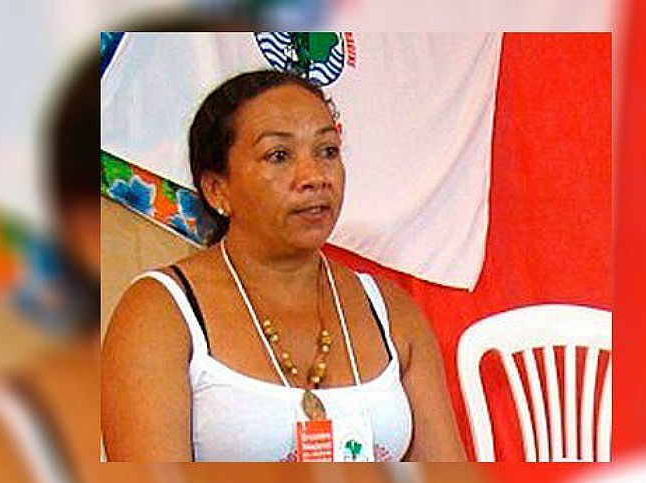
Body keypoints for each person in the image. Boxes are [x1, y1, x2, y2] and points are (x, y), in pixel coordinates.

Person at [101, 69, 466, 462]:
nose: (314, 177)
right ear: (217, 189)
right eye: (279, 156)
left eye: (328, 151)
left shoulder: (390, 309)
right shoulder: (160, 311)